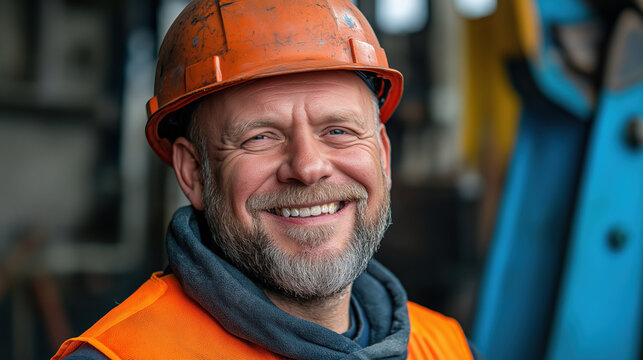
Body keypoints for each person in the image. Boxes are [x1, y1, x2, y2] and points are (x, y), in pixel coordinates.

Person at [53, 1, 481, 359]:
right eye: (260, 137)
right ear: (193, 172)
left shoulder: (446, 346)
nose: (308, 167)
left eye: (339, 131)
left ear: (383, 156)